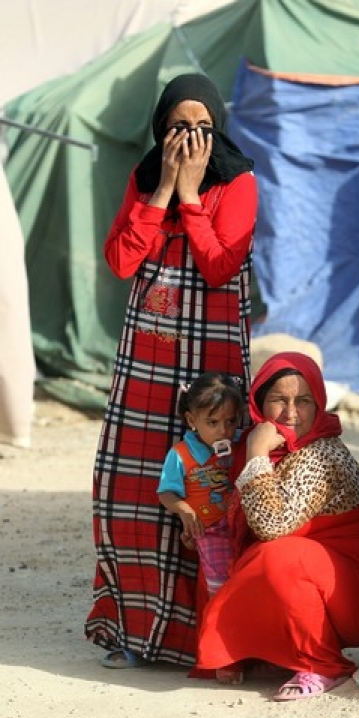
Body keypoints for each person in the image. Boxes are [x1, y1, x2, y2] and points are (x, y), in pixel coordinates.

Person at [85, 73, 258, 669]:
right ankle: (136, 630)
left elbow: (220, 266)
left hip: (211, 363)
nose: (190, 138)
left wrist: (191, 198)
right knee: (129, 491)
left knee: (211, 493)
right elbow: (121, 260)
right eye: (179, 126)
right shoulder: (142, 180)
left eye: (203, 127)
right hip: (149, 361)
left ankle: (210, 638)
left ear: (219, 130)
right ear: (160, 130)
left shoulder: (238, 183)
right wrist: (162, 188)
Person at [196, 351, 359, 700]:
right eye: (279, 400)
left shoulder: (322, 454)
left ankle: (323, 666)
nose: (291, 413)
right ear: (259, 404)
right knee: (231, 559)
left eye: (303, 401)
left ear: (318, 403)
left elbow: (270, 525)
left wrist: (257, 454)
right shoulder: (265, 447)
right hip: (326, 582)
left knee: (278, 557)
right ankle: (276, 652)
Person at [157, 372, 244, 597]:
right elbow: (166, 492)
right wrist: (184, 510)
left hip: (243, 527)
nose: (223, 431)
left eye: (231, 421)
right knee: (221, 588)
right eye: (213, 422)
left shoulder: (242, 444)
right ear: (192, 420)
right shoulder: (181, 455)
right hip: (210, 532)